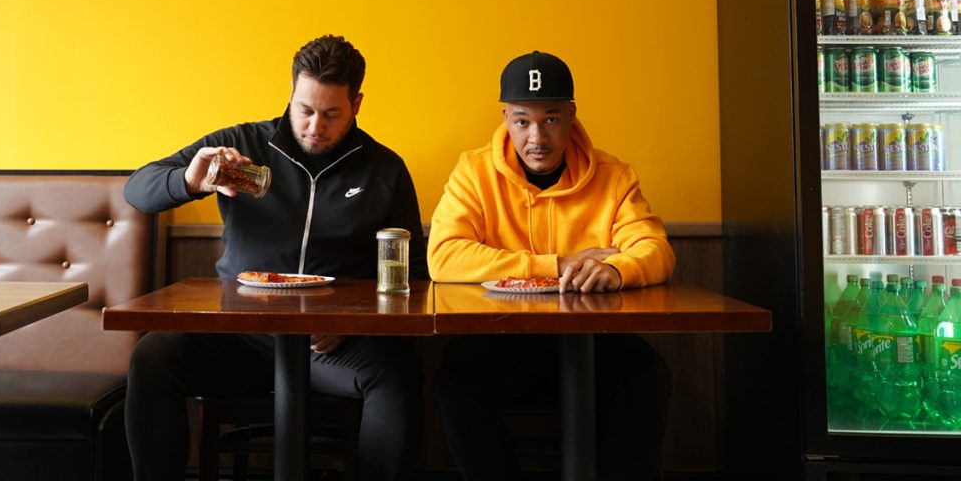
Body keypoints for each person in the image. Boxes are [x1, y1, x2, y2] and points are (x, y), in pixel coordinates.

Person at [123, 34, 427, 481]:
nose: (314, 126)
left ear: (357, 104)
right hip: (240, 334)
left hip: (330, 347)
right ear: (291, 92)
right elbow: (138, 188)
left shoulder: (384, 169)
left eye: (331, 114)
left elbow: (413, 275)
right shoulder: (240, 145)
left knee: (400, 375)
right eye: (304, 109)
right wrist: (190, 181)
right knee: (152, 358)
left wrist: (352, 321)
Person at [428, 50, 676, 481]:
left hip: (593, 343)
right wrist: (556, 264)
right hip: (501, 339)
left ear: (571, 116)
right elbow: (443, 255)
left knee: (646, 375)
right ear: (505, 117)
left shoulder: (614, 176)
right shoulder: (473, 172)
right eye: (522, 121)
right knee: (455, 385)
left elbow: (655, 249)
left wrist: (618, 270)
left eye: (551, 119)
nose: (536, 137)